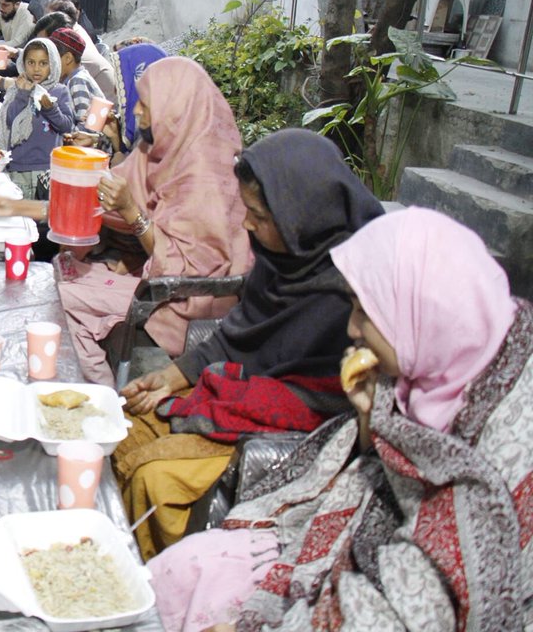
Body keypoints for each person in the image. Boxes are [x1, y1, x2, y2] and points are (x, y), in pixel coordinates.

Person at [147, 207, 532, 632]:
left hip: (412, 596)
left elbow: (427, 593)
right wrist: (369, 418)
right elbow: (381, 470)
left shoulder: (508, 438)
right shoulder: (422, 361)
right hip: (363, 538)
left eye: (366, 313)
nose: (351, 329)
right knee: (187, 566)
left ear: (420, 310)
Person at [113, 128, 385, 561]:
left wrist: (226, 393)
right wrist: (172, 376)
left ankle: (165, 589)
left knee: (155, 477)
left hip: (290, 434)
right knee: (121, 428)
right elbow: (241, 332)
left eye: (259, 215)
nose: (246, 224)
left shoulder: (355, 294)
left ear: (300, 215)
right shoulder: (285, 259)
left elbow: (334, 404)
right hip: (239, 395)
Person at [0, 58, 252, 385]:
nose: (137, 112)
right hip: (155, 272)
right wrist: (15, 207)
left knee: (62, 297)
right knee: (63, 268)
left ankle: (98, 394)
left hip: (189, 297)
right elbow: (90, 199)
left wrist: (132, 212)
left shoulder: (203, 174)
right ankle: (93, 382)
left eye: (146, 103)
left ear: (175, 108)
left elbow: (189, 268)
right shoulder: (159, 148)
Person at [0, 37, 75, 199]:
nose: (37, 69)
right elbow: (9, 121)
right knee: (19, 218)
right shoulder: (18, 89)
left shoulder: (60, 91)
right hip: (18, 168)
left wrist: (51, 109)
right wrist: (23, 94)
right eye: (31, 63)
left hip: (47, 169)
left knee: (43, 217)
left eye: (43, 63)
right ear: (22, 64)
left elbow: (67, 127)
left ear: (52, 64)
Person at [45, 0, 117, 98]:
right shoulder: (75, 30)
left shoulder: (72, 46)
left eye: (48, 21)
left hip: (103, 105)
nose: (45, 24)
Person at [50, 27, 108, 135]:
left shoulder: (77, 82)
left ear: (68, 58)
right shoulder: (73, 78)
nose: (49, 64)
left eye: (52, 58)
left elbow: (85, 127)